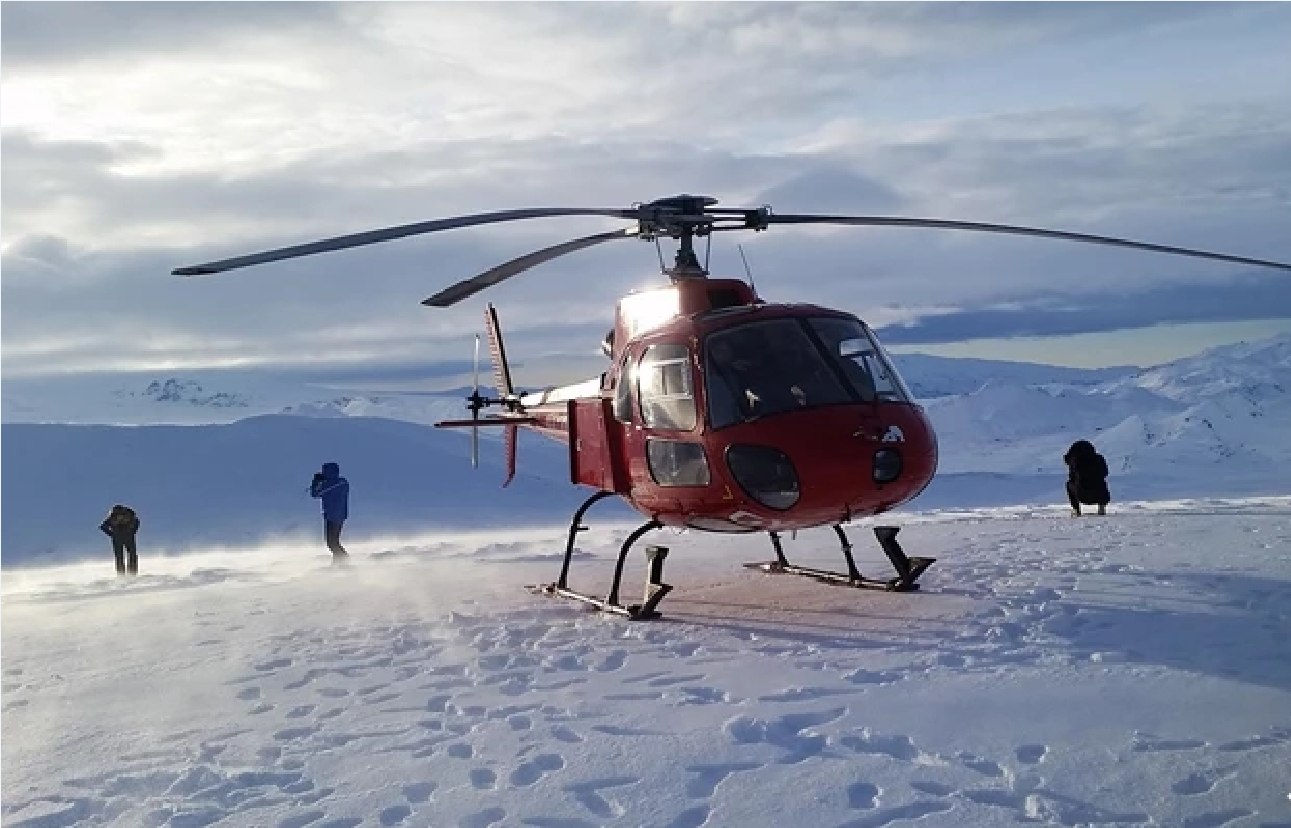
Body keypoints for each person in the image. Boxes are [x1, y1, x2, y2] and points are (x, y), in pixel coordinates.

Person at [309, 462, 350, 558]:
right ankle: (339, 562)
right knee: (333, 542)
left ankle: (344, 560)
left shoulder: (336, 483)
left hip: (334, 516)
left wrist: (316, 482)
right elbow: (315, 494)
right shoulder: (341, 482)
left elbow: (315, 494)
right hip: (334, 516)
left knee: (332, 543)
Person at [1064, 439, 1110, 516]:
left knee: (1069, 484)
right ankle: (1101, 506)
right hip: (1100, 495)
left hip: (1082, 495)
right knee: (1102, 482)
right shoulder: (1099, 458)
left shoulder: (1075, 461)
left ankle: (1076, 509)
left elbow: (1072, 477)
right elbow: (1105, 473)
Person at [99, 504, 141, 575]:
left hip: (125, 538)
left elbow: (137, 522)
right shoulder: (113, 517)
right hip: (122, 538)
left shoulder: (129, 516)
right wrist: (112, 534)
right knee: (122, 557)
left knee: (129, 556)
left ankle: (131, 573)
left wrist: (133, 531)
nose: (120, 516)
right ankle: (124, 574)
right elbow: (103, 527)